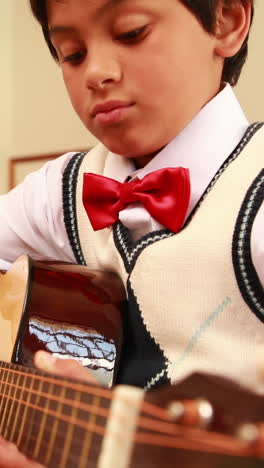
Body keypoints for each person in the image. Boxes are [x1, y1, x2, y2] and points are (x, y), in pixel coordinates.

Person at [0, 0, 263, 465]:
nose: (96, 73)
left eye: (132, 33)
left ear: (227, 21)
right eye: (72, 53)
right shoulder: (63, 189)